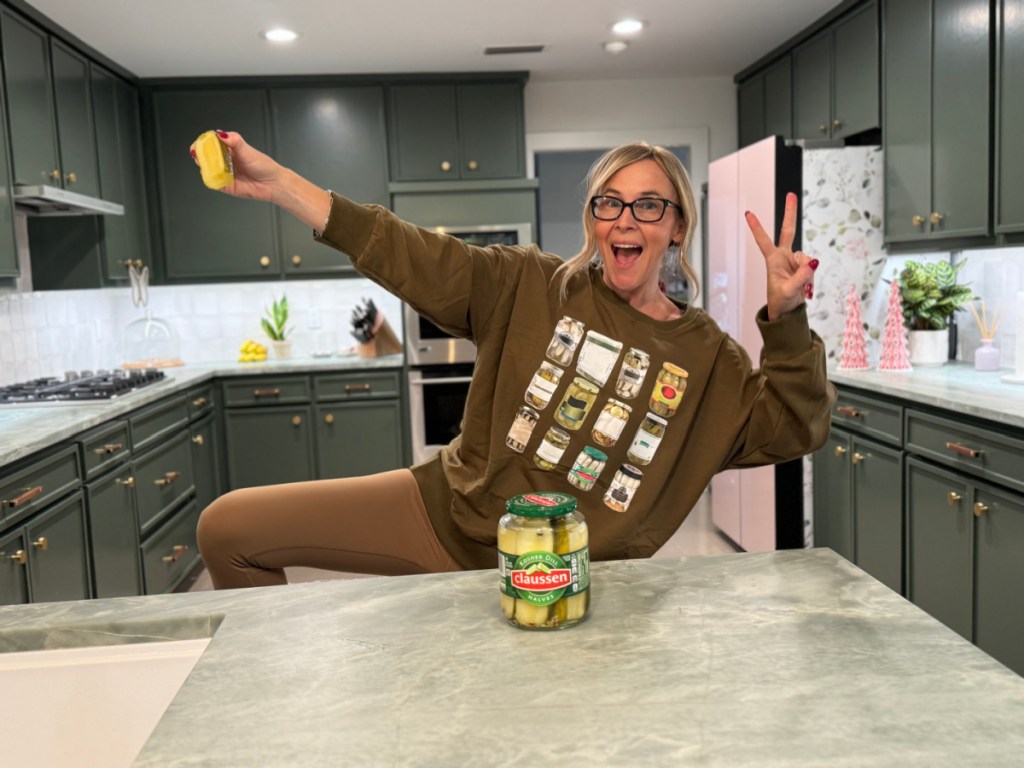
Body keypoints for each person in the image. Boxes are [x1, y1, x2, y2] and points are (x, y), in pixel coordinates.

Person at [194, 130, 835, 589]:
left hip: (569, 581)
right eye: (607, 202)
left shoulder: (706, 360)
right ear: (593, 219)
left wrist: (786, 317)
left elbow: (794, 426)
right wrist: (281, 186)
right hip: (445, 520)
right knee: (228, 529)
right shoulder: (529, 283)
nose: (623, 220)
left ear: (676, 228)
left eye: (648, 205)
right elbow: (407, 250)